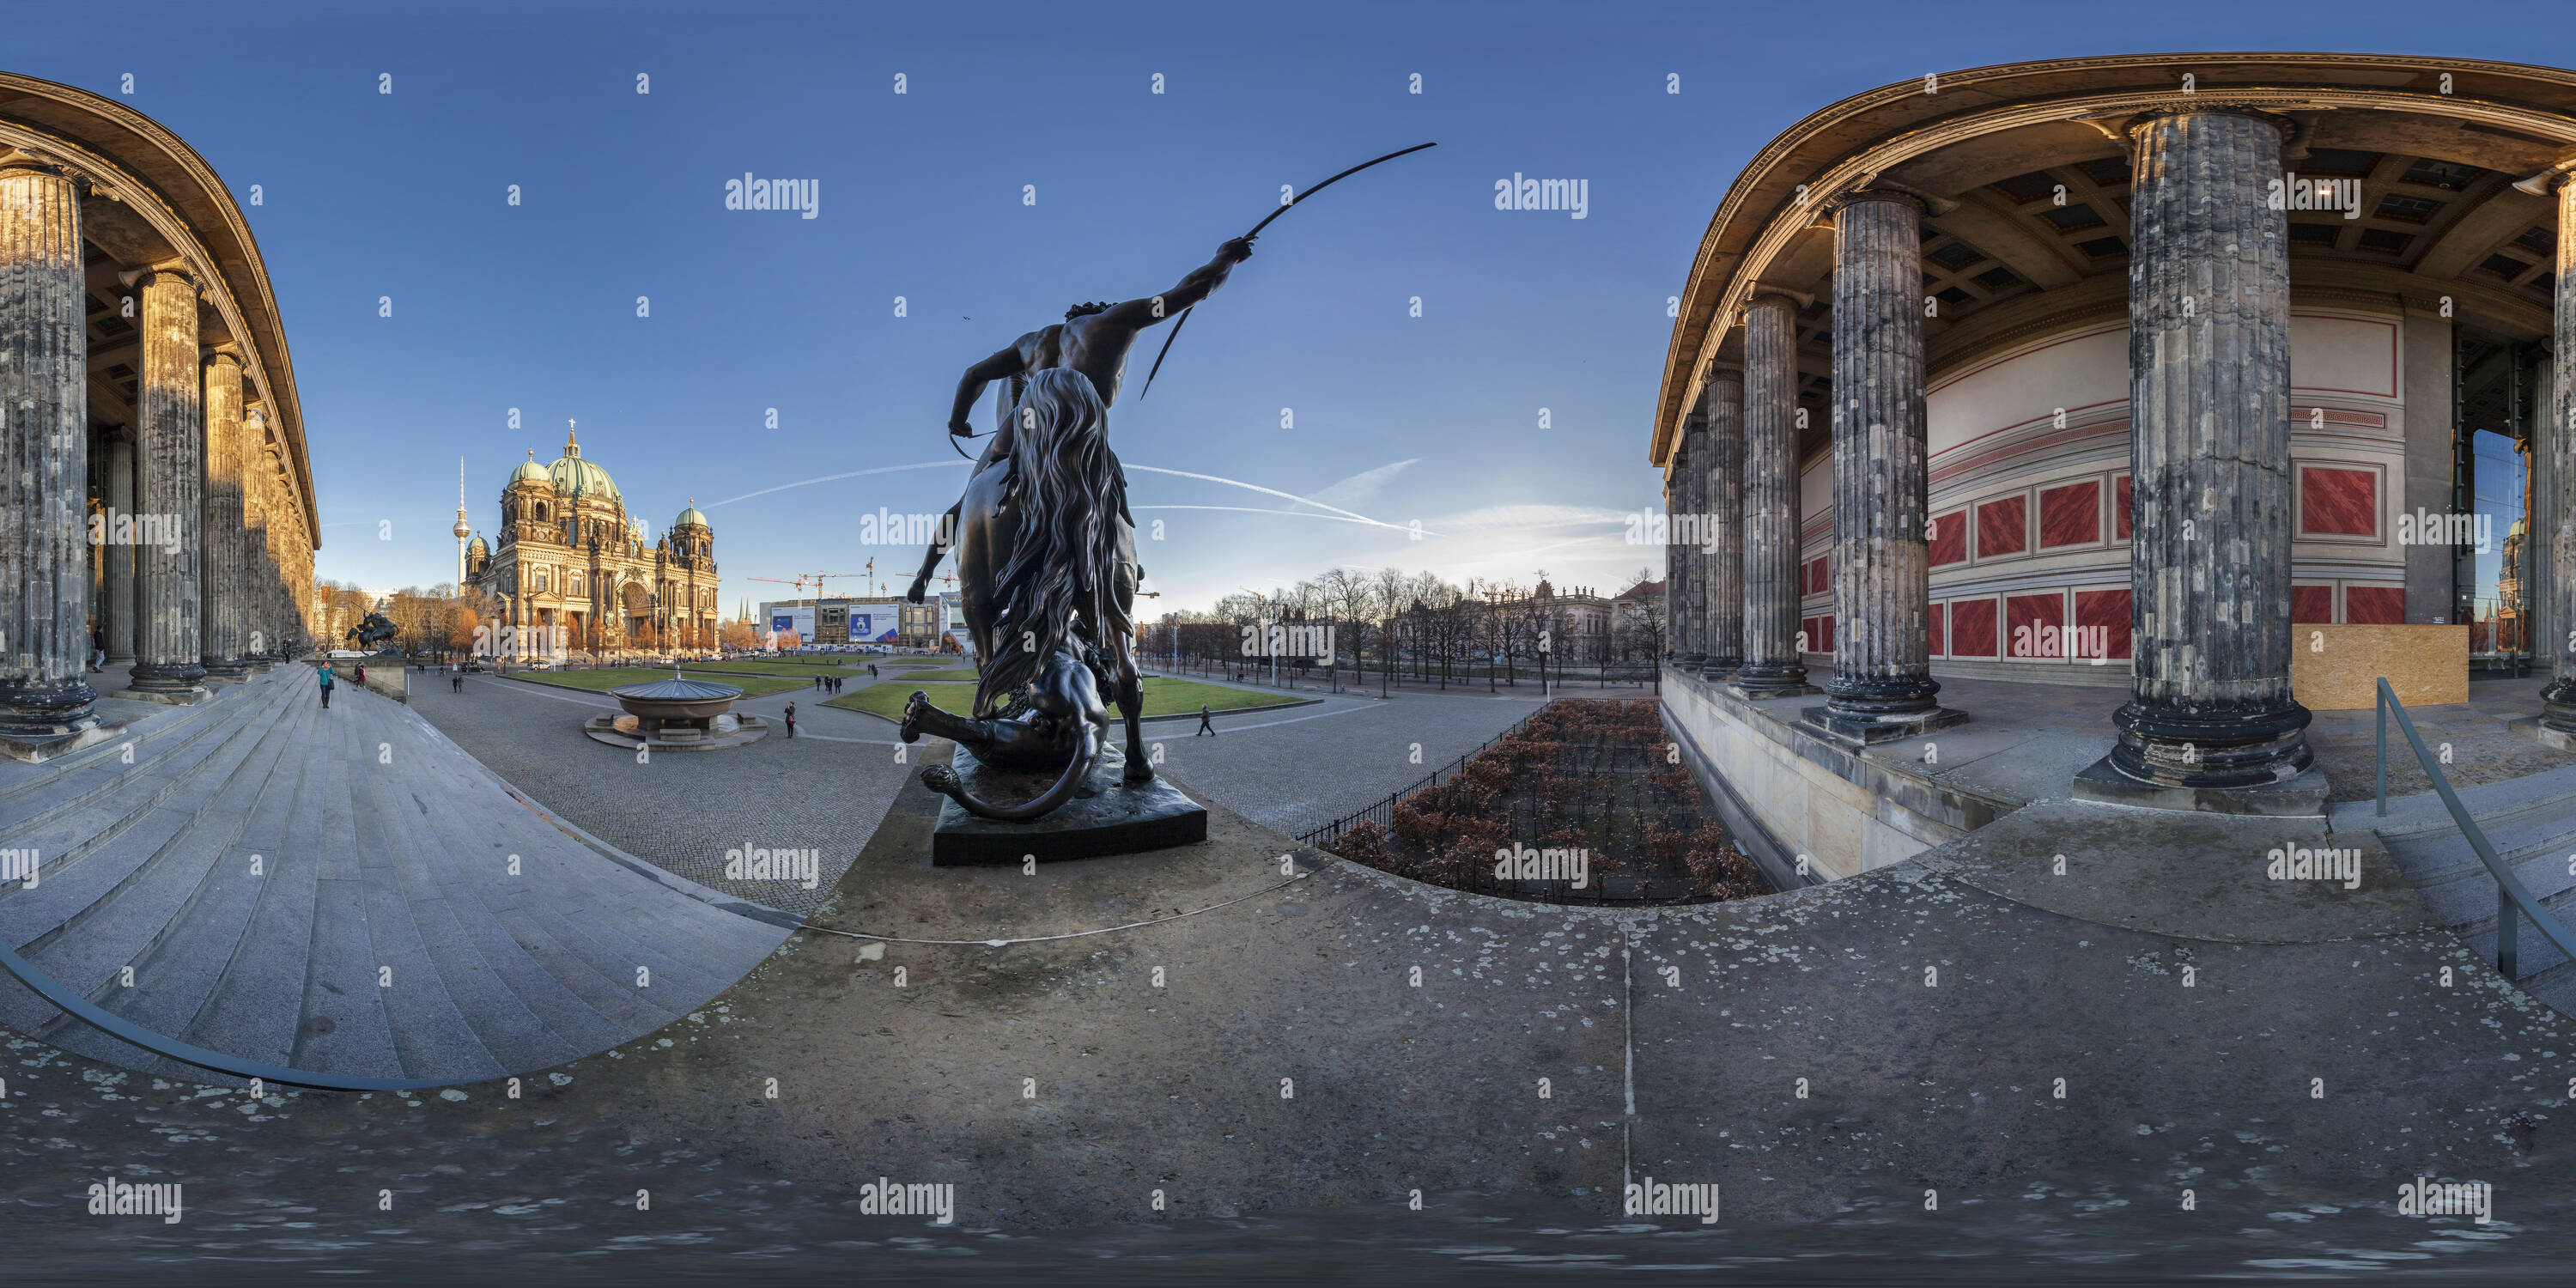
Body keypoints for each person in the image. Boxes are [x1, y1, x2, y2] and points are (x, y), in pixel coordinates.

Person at [906, 235, 1256, 604]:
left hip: (1022, 426)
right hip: (1080, 426)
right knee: (1108, 486)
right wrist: (1226, 258)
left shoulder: (1032, 343)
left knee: (966, 502)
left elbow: (973, 375)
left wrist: (958, 421)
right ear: (1099, 313)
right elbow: (1195, 287)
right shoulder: (1113, 323)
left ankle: (924, 575)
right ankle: (1123, 560)